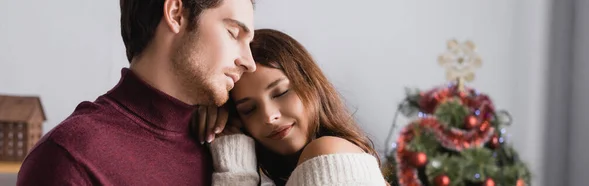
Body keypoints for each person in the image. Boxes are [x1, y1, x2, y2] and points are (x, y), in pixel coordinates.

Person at [17, 0, 256, 185]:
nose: (249, 62)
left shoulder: (235, 143)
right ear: (176, 14)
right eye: (233, 33)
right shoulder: (71, 158)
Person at [202, 29, 388, 186]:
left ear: (310, 83)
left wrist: (235, 165)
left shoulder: (328, 151)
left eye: (281, 92)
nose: (269, 116)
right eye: (249, 109)